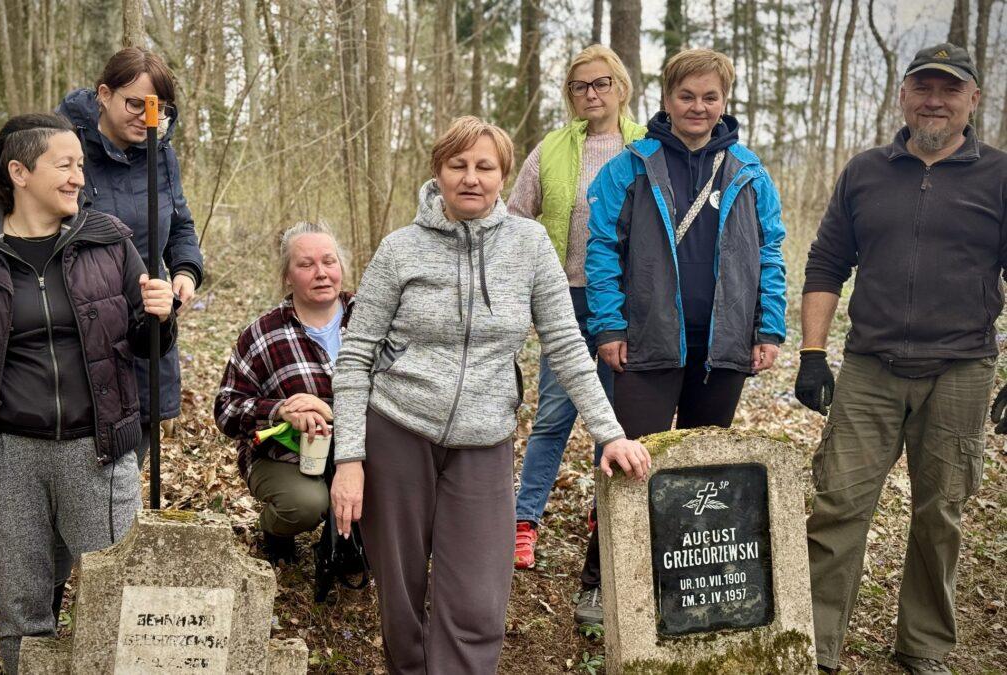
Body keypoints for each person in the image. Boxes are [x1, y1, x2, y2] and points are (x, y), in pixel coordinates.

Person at [329, 116, 651, 674]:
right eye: (458, 165)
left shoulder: (528, 246)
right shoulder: (400, 250)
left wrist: (609, 433)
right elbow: (355, 357)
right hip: (397, 429)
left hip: (485, 438)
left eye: (485, 166)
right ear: (438, 172)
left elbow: (568, 345)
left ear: (504, 175)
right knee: (401, 593)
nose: (471, 178)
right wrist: (350, 458)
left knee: (479, 594)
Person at [0, 113, 175, 675]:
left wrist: (162, 316)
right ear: (19, 171)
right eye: (65, 165)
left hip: (99, 451)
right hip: (1, 460)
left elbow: (145, 339)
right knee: (23, 612)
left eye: (81, 166)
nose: (78, 178)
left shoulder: (108, 241)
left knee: (117, 602)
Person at [795, 43, 1006, 675]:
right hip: (870, 367)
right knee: (837, 504)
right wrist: (812, 355)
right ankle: (817, 646)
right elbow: (827, 264)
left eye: (949, 89)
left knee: (941, 511)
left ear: (973, 99)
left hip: (962, 369)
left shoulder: (999, 175)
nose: (934, 100)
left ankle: (923, 647)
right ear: (904, 95)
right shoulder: (865, 171)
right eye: (923, 87)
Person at [585, 47, 786, 622]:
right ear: (666, 99)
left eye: (710, 97)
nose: (698, 107)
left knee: (702, 470)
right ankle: (603, 579)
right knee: (629, 462)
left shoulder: (748, 170)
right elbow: (601, 249)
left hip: (722, 346)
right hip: (647, 340)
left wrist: (768, 326)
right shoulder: (631, 165)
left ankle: (684, 581)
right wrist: (608, 323)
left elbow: (770, 251)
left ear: (725, 102)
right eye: (686, 96)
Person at [506, 45, 647, 595]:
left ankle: (601, 515)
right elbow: (516, 216)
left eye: (601, 83)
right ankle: (524, 518)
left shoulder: (645, 148)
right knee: (554, 414)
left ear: (621, 88)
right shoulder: (553, 148)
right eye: (580, 86)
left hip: (624, 305)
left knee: (611, 415)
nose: (592, 94)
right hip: (563, 298)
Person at [58, 46, 204, 464]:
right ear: (104, 94)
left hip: (146, 316)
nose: (145, 116)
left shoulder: (162, 154)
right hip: (81, 321)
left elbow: (180, 226)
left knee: (132, 450)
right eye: (134, 103)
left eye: (156, 107)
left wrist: (186, 271)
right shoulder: (63, 147)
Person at [215, 222, 352, 565]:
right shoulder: (262, 334)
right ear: (288, 276)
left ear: (342, 269)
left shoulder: (369, 319)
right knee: (305, 503)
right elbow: (226, 410)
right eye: (306, 265)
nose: (321, 273)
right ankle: (276, 530)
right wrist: (279, 411)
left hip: (365, 451)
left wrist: (328, 409)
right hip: (284, 457)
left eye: (329, 262)